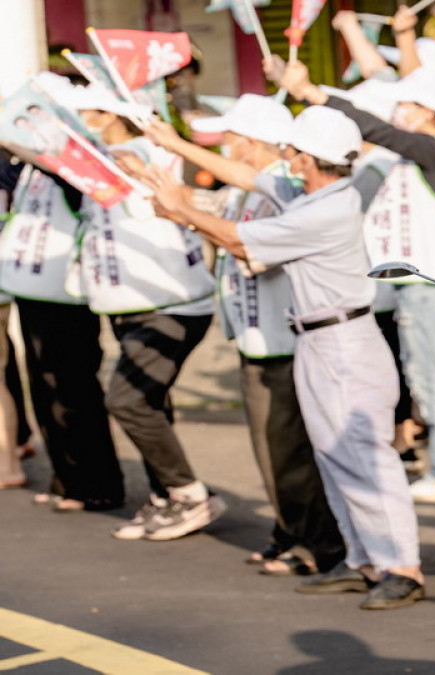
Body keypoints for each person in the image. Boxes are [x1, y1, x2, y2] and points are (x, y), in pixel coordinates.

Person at [150, 104, 425, 611]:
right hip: (321, 339)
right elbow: (250, 178)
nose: (284, 157)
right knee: (332, 455)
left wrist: (182, 208)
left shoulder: (323, 210)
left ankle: (403, 567)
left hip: (344, 342)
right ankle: (364, 560)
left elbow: (234, 237)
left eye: (291, 150)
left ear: (306, 158)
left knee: (366, 459)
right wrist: (174, 144)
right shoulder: (316, 193)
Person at [275, 57, 435, 504]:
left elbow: (378, 131)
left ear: (429, 110)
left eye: (408, 106)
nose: (399, 114)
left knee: (434, 378)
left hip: (431, 285)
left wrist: (314, 95)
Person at [143, 95, 347, 576]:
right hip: (256, 335)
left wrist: (185, 208)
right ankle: (287, 532)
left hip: (285, 338)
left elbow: (250, 248)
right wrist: (175, 177)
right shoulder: (250, 189)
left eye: (232, 138)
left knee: (290, 450)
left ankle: (316, 545)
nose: (226, 148)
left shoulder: (288, 190)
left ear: (256, 143)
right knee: (271, 449)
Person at [64, 85, 222, 539]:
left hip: (170, 304)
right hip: (132, 302)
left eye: (86, 112)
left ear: (112, 115)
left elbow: (140, 163)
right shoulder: (103, 155)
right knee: (150, 401)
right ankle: (166, 498)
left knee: (127, 400)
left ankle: (190, 494)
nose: (80, 121)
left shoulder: (142, 152)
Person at [0, 141, 123, 506]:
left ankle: (97, 486)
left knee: (74, 387)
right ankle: (67, 479)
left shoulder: (70, 166)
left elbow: (76, 180)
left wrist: (21, 142)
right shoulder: (25, 169)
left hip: (65, 292)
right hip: (30, 287)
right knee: (43, 384)